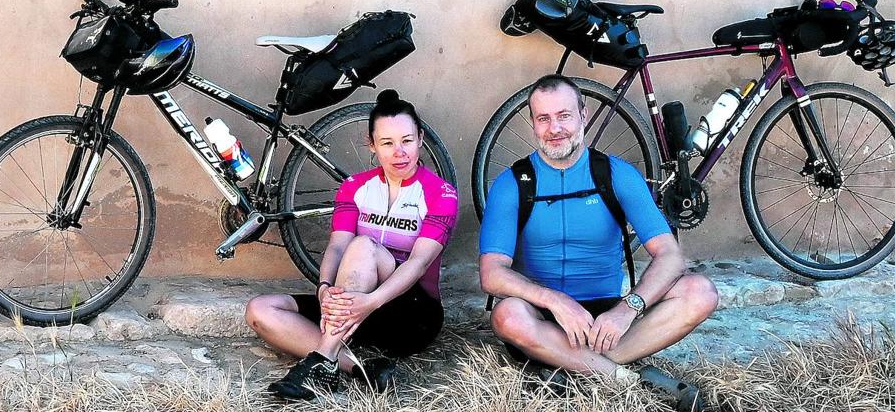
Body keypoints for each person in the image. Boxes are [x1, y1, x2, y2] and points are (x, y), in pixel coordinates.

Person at [479, 74, 718, 406]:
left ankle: (566, 363)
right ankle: (625, 378)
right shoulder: (512, 182)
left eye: (564, 116)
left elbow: (669, 255)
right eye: (543, 118)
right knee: (506, 316)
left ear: (583, 115)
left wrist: (628, 308)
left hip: (607, 318)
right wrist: (555, 301)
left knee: (700, 291)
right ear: (533, 124)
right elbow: (492, 274)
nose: (555, 128)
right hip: (541, 315)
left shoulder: (616, 174)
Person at [245, 90, 458, 400]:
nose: (399, 152)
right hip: (355, 307)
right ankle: (362, 368)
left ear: (421, 138)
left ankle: (322, 359)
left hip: (411, 316)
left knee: (363, 246)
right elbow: (335, 247)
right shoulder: (355, 187)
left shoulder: (441, 193)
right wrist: (324, 288)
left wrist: (370, 303)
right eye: (387, 143)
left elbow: (418, 263)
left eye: (407, 140)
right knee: (260, 309)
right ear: (371, 146)